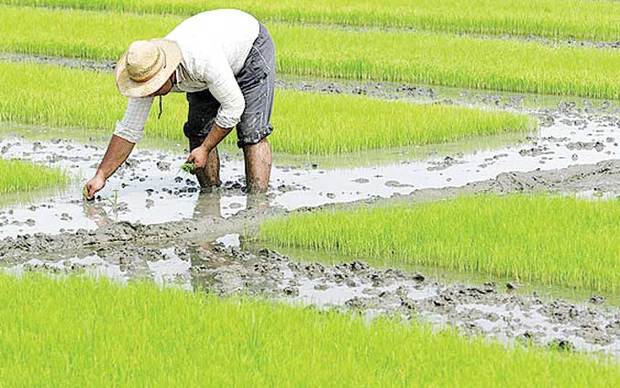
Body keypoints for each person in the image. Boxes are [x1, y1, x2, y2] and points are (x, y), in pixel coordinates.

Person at [85, 9, 275, 199]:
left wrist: (206, 148)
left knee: (252, 132)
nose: (149, 93)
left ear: (166, 72)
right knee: (198, 130)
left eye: (154, 86)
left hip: (249, 46)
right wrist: (101, 175)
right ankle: (210, 198)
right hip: (212, 61)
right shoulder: (144, 69)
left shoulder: (201, 61)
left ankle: (257, 204)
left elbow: (234, 107)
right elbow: (129, 130)